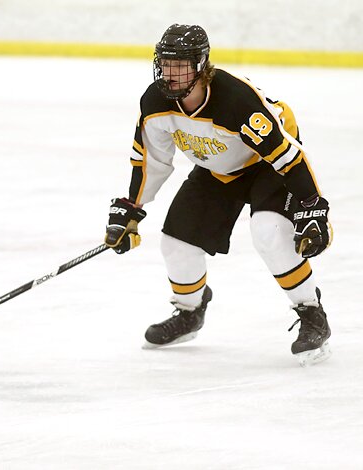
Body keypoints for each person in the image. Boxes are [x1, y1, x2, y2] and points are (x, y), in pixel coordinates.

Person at [104, 24, 332, 367]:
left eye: (180, 65)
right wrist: (131, 209)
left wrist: (312, 205)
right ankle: (189, 312)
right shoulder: (155, 102)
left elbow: (287, 156)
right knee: (176, 243)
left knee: (269, 233)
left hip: (267, 165)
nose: (171, 73)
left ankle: (312, 313)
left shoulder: (236, 100)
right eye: (165, 64)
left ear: (201, 66)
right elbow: (150, 160)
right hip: (218, 167)